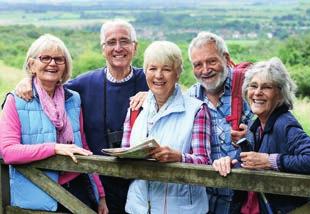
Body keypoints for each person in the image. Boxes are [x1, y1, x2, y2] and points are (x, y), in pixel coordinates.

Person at [15, 19, 148, 213]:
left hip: (143, 185)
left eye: (124, 41)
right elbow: (50, 86)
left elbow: (178, 99)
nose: (118, 48)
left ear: (135, 47)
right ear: (103, 49)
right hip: (99, 187)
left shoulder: (152, 80)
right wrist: (28, 80)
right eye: (111, 42)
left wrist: (153, 95)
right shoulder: (85, 83)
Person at [0, 34, 108, 213]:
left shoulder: (74, 99)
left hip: (79, 189)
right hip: (37, 194)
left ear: (65, 66)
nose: (52, 63)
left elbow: (83, 145)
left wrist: (100, 194)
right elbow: (8, 151)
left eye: (59, 59)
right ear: (31, 65)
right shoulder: (16, 101)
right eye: (45, 58)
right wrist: (55, 148)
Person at [213, 57, 310, 213]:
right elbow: (248, 163)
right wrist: (229, 162)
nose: (257, 92)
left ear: (280, 94)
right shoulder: (255, 126)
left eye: (266, 87)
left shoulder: (284, 124)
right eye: (253, 86)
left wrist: (269, 161)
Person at [122, 41, 211, 213]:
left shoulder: (196, 110)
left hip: (182, 209)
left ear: (177, 73)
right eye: (152, 68)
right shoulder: (135, 109)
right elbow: (125, 155)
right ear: (145, 71)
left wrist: (179, 157)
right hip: (138, 207)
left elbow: (205, 162)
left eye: (167, 69)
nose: (158, 75)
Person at [187, 32, 253, 214]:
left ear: (226, 58)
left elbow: (275, 134)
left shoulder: (250, 89)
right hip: (204, 202)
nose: (205, 69)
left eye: (211, 61)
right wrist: (147, 96)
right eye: (198, 64)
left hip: (244, 201)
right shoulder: (191, 97)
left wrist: (250, 136)